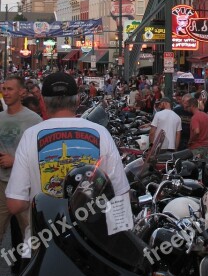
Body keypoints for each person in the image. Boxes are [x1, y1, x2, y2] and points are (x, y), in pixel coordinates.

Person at [6, 72, 129, 215]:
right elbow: (120, 194)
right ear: (77, 100)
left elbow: (15, 204)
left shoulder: (30, 136)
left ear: (44, 103)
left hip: (45, 235)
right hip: (91, 234)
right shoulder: (101, 133)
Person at [0, 76, 42, 264]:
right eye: (4, 89)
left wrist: (14, 160)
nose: (6, 93)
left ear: (21, 92)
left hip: (26, 188)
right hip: (1, 186)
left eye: (10, 89)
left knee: (31, 237)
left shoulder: (34, 120)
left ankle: (29, 271)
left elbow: (41, 155)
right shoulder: (0, 118)